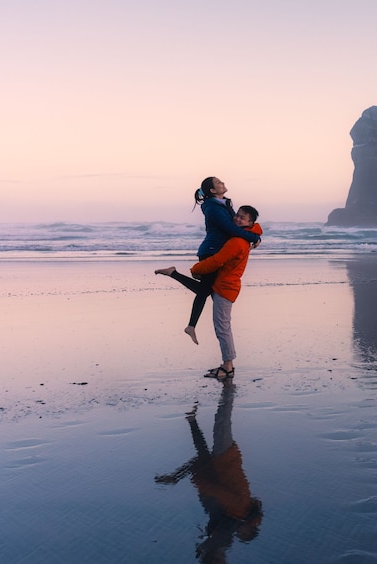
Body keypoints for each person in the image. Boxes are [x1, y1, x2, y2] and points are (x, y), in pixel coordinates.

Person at [155, 380, 263, 562]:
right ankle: (228, 388)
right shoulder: (239, 507)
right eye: (243, 533)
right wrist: (201, 484)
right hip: (226, 460)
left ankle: (192, 419)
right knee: (222, 422)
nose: (239, 533)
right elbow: (217, 493)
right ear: (249, 528)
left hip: (222, 467)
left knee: (203, 450)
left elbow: (221, 527)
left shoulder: (238, 513)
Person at [156, 205, 262, 379]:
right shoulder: (240, 237)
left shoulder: (237, 242)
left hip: (226, 288)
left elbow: (216, 261)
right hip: (223, 284)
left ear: (250, 223)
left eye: (242, 218)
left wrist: (196, 268)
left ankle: (228, 367)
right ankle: (172, 273)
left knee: (222, 328)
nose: (237, 219)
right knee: (204, 296)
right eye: (237, 215)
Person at [180, 177, 261, 345]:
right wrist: (254, 236)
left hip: (218, 252)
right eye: (218, 183)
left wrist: (255, 234)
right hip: (210, 252)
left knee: (206, 290)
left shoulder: (224, 204)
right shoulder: (212, 207)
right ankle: (190, 325)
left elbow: (239, 225)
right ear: (212, 190)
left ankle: (191, 325)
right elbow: (230, 228)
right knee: (205, 291)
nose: (222, 183)